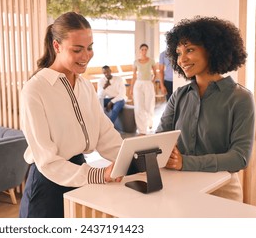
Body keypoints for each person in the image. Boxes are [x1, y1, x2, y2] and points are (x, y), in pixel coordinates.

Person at [19, 12, 123, 218]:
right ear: (57, 46)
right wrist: (99, 174)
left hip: (79, 175)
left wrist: (130, 160)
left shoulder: (85, 86)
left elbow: (104, 133)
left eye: (90, 47)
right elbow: (47, 161)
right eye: (77, 50)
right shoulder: (34, 89)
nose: (86, 56)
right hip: (47, 184)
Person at [156, 16, 255, 202]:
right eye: (178, 53)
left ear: (212, 50)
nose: (181, 59)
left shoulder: (241, 98)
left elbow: (239, 158)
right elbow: (161, 138)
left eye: (190, 50)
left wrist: (185, 162)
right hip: (179, 187)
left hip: (222, 191)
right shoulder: (179, 95)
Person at [129, 43, 156, 135]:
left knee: (149, 105)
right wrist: (131, 88)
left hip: (148, 83)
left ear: (147, 51)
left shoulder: (151, 61)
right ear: (140, 51)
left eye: (145, 49)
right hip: (138, 84)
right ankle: (142, 130)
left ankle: (150, 121)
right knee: (139, 107)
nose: (144, 51)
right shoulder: (136, 62)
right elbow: (134, 75)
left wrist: (151, 82)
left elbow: (155, 73)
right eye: (142, 49)